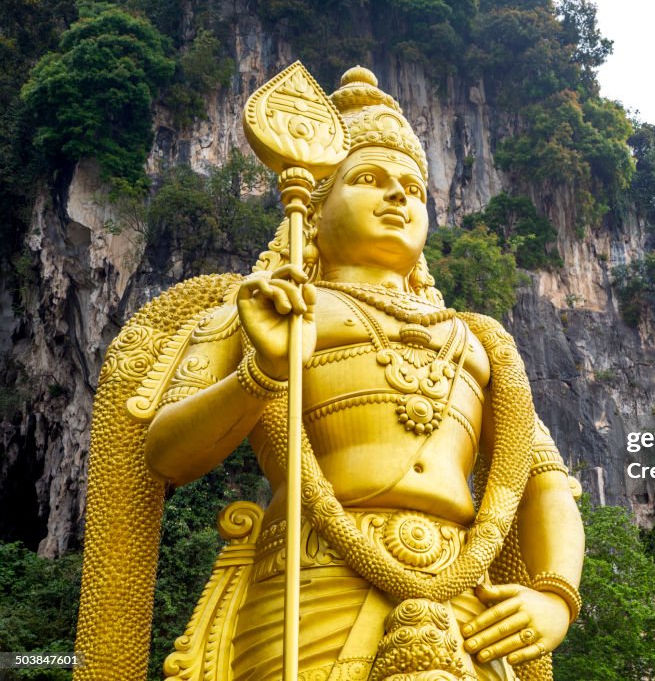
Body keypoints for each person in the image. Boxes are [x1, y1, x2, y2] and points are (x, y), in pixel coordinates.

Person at [94, 66, 584, 681]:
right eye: (369, 180)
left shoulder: (479, 341)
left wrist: (555, 595)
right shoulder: (263, 306)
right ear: (317, 207)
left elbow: (543, 480)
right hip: (309, 583)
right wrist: (263, 372)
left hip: (462, 599)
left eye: (414, 187)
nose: (398, 196)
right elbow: (165, 453)